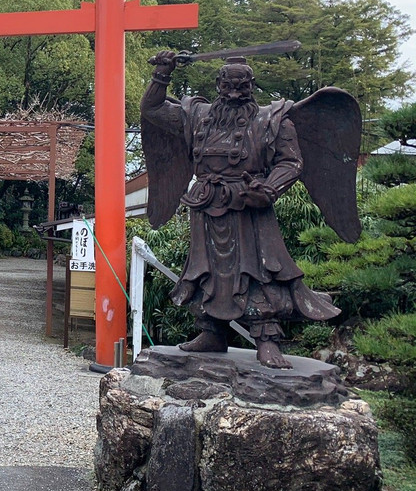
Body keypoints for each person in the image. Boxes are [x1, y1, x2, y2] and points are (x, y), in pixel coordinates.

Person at [140, 51, 341, 368]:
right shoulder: (197, 116)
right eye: (228, 86)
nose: (234, 94)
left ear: (252, 85)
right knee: (205, 271)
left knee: (258, 271)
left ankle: (267, 340)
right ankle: (212, 332)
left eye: (242, 87)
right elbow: (152, 109)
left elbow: (291, 162)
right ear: (218, 84)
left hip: (249, 205)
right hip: (206, 205)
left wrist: (269, 189)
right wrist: (162, 73)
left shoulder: (272, 120)